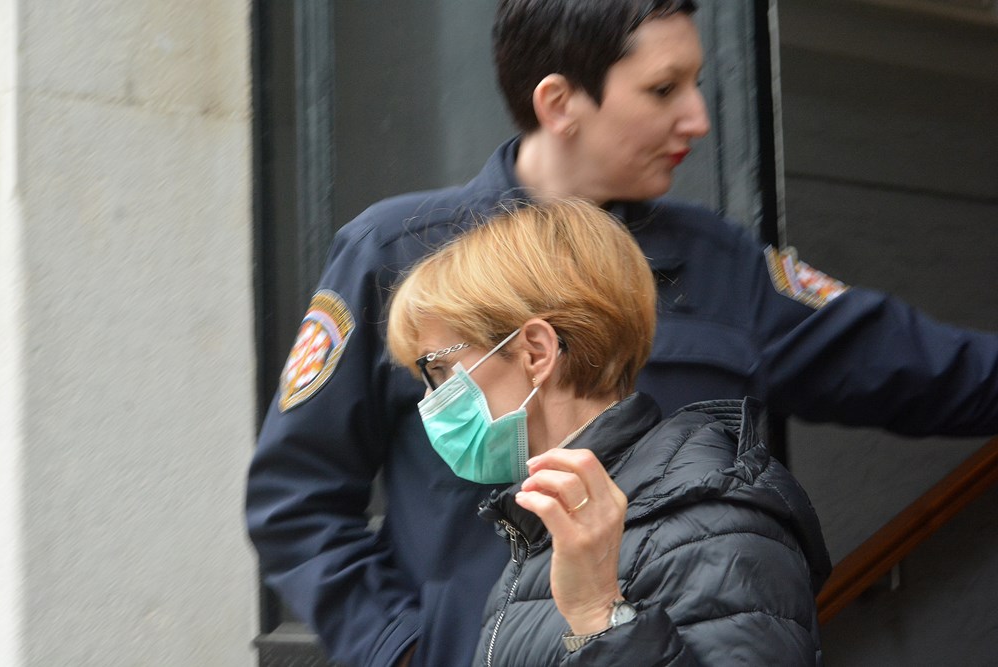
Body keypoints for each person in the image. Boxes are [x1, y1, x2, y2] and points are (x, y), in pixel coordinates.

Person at [246, 1, 998, 665]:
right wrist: (400, 648)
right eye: (663, 90)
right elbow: (295, 498)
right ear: (559, 102)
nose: (698, 118)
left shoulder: (722, 265)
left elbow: (931, 371)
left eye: (695, 84)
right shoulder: (397, 254)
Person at [385, 199, 831, 665]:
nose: (431, 399)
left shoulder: (713, 522)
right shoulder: (548, 524)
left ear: (536, 352)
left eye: (440, 369)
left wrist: (600, 616)